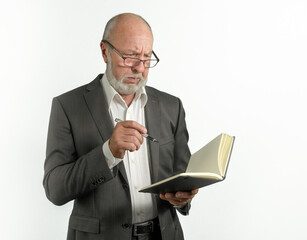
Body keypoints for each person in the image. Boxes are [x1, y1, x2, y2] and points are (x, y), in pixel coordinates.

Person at [43, 13, 198, 240]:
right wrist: (108, 153)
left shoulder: (171, 106)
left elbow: (182, 176)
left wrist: (183, 197)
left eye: (146, 58)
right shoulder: (67, 107)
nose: (139, 68)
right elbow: (55, 189)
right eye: (130, 56)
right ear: (105, 51)